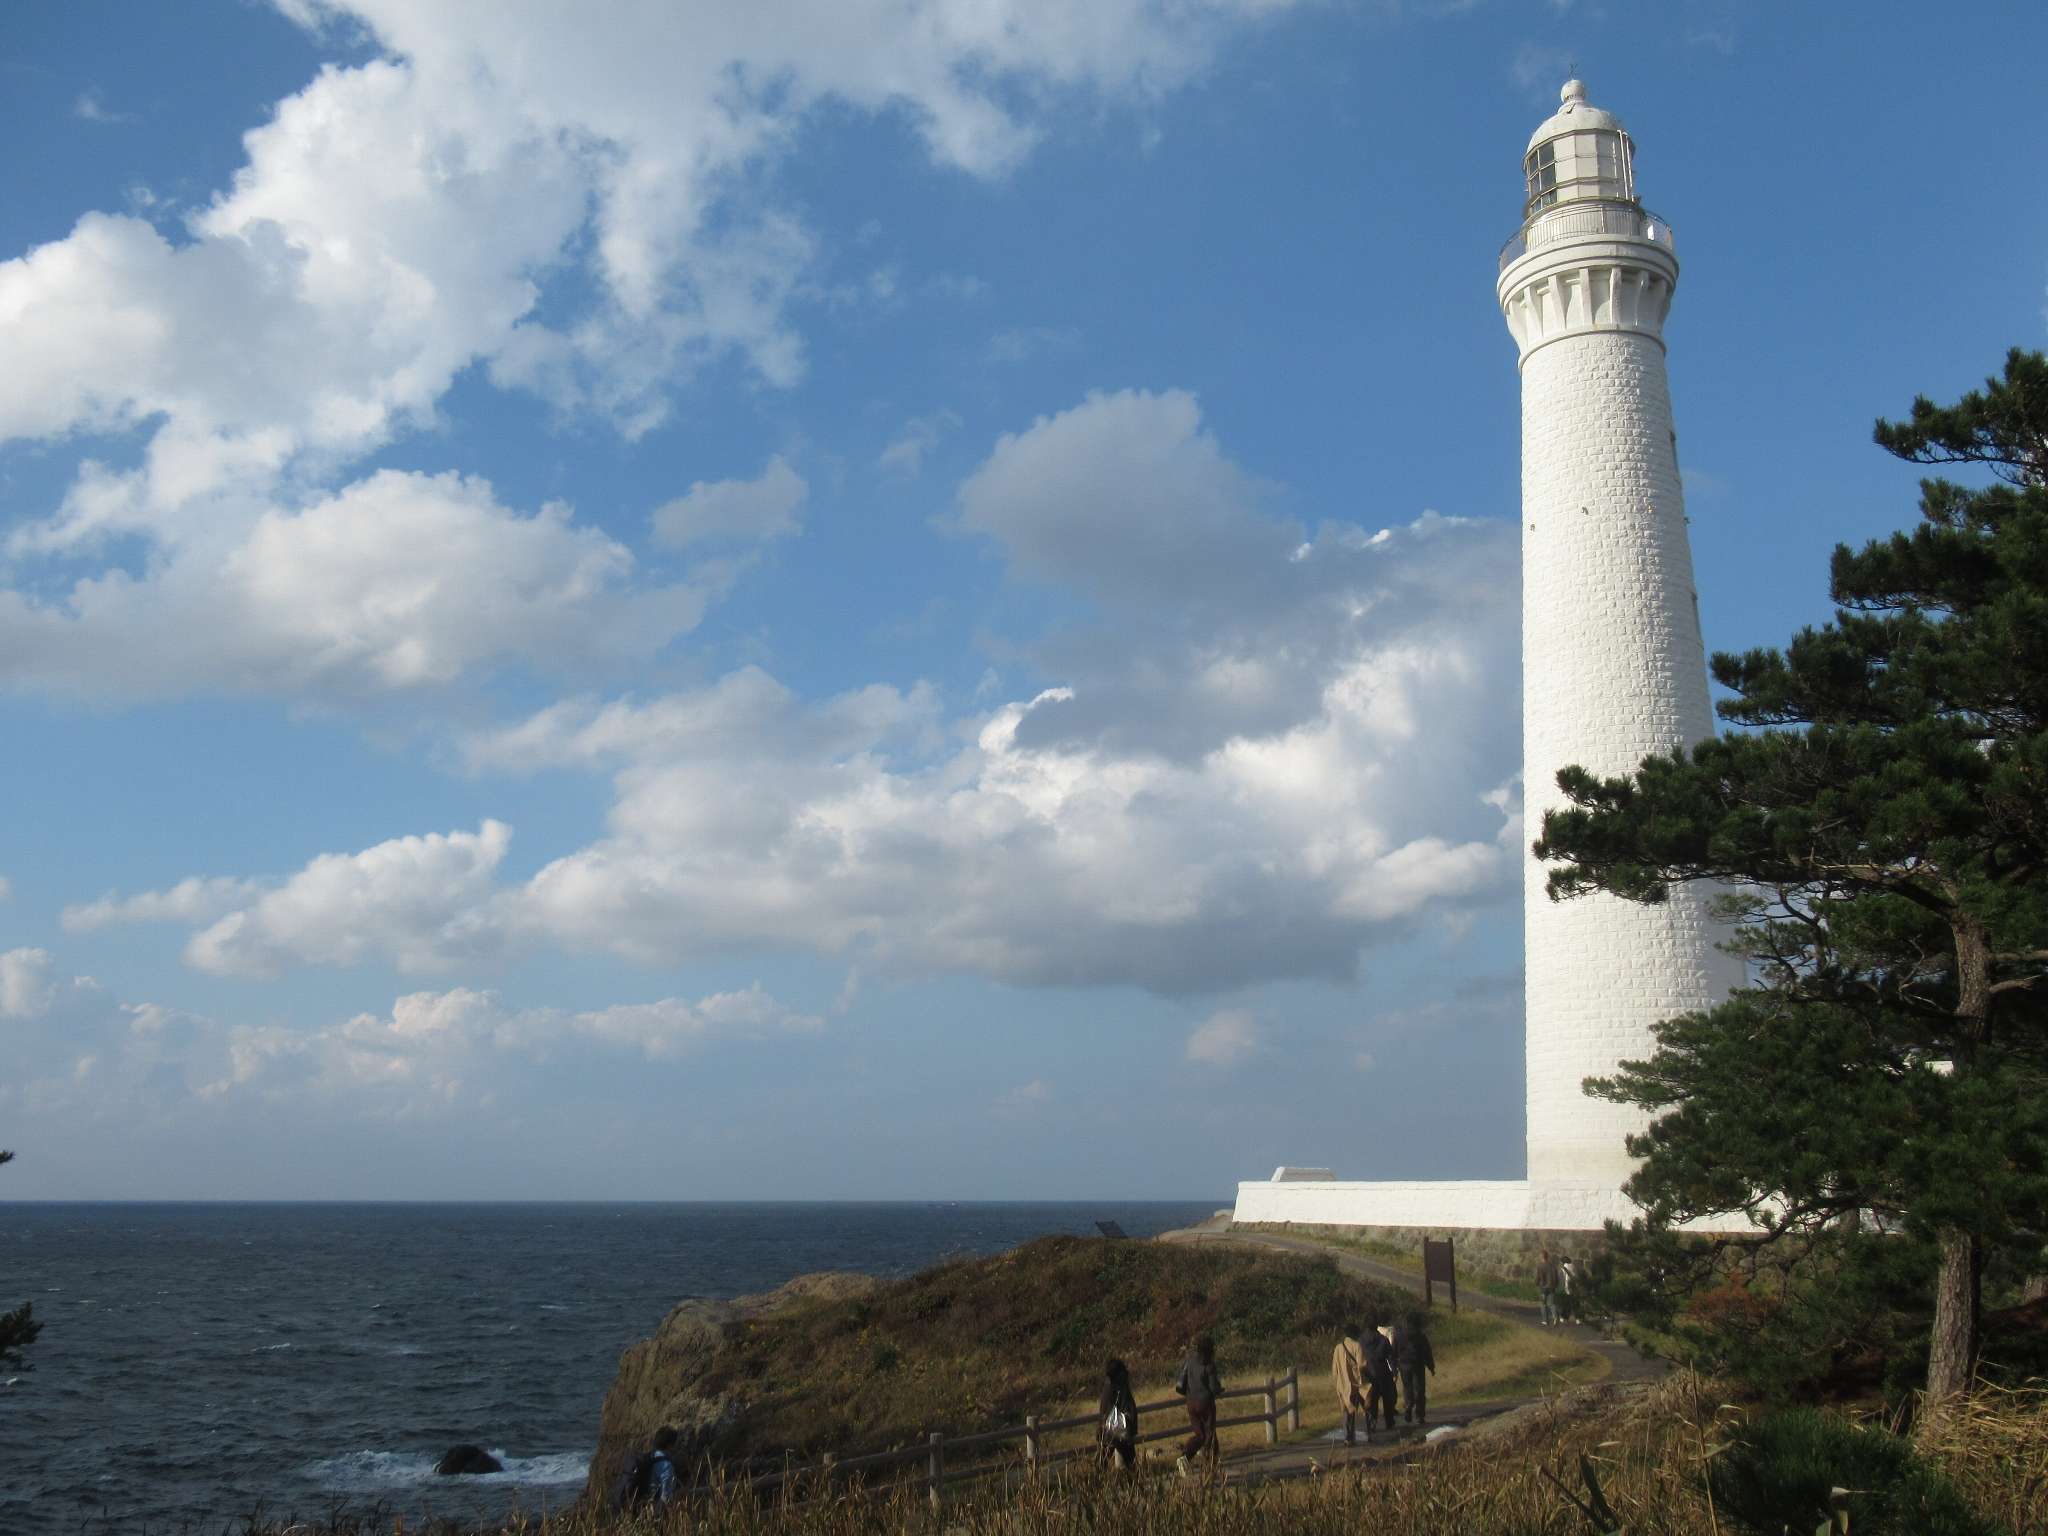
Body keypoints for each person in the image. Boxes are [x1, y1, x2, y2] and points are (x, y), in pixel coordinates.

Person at [1174, 1334, 1223, 1478]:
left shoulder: (1189, 1361)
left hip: (1191, 1403)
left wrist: (1191, 1393)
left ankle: (1189, 1458)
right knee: (1208, 1435)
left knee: (1201, 1434)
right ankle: (1208, 1466)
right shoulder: (1209, 1365)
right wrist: (1220, 1389)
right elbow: (1214, 1388)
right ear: (1210, 1350)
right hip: (1206, 1403)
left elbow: (1180, 1386)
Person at [612, 1424, 680, 1510]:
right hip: (649, 1508)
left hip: (634, 1504)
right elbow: (666, 1496)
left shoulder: (649, 1456)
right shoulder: (666, 1466)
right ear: (670, 1445)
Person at [1392, 1311, 1436, 1426]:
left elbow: (1393, 1353)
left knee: (1407, 1388)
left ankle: (1408, 1405)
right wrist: (1431, 1366)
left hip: (1404, 1365)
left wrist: (1394, 1369)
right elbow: (1427, 1352)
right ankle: (1419, 1415)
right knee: (1419, 1389)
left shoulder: (1399, 1335)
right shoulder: (1420, 1335)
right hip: (1418, 1365)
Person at [1329, 1323, 1368, 1446]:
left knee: (1346, 1409)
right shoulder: (1357, 1346)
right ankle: (1350, 1436)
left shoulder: (1338, 1347)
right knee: (1353, 1409)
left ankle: (1347, 1435)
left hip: (1342, 1383)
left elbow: (1334, 1368)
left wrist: (1337, 1382)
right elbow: (1362, 1364)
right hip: (1354, 1383)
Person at [1097, 1357, 1139, 1469]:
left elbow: (1105, 1410)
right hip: (1120, 1429)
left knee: (1103, 1461)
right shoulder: (1119, 1386)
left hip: (1108, 1429)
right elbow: (1127, 1406)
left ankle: (1098, 1477)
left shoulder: (1108, 1386)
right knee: (1130, 1463)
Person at [1362, 1312, 1398, 1434]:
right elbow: (1391, 1357)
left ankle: (1372, 1423)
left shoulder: (1361, 1340)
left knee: (1372, 1399)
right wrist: (1394, 1371)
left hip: (1368, 1373)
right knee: (1387, 1398)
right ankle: (1389, 1421)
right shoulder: (1383, 1339)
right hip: (1383, 1371)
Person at [1535, 1247, 1561, 1326]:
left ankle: (1545, 1320)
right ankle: (1555, 1317)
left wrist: (1536, 1283)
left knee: (1543, 1304)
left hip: (1543, 1287)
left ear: (1541, 1256)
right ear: (1547, 1256)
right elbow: (1556, 1276)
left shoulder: (1540, 1266)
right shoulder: (1552, 1266)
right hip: (1552, 1287)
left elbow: (1538, 1277)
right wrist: (1556, 1285)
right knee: (1552, 1304)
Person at [1557, 1254, 1579, 1323]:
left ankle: (1563, 1318)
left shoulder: (1563, 1269)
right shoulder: (1574, 1267)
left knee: (1565, 1304)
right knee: (1575, 1305)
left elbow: (1561, 1279)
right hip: (1574, 1288)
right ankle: (1578, 1319)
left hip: (1566, 1288)